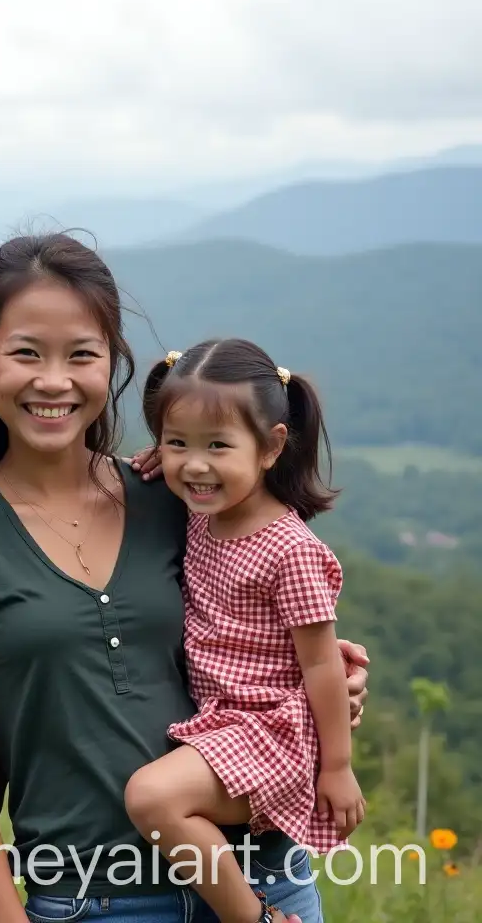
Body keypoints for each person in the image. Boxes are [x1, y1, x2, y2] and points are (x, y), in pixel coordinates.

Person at [0, 232, 370, 923]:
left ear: (112, 363)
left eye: (82, 354)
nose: (54, 380)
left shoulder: (176, 498)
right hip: (95, 900)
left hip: (260, 876)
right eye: (26, 352)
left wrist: (334, 684)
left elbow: (272, 618)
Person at [121, 340, 364, 923]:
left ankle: (251, 917)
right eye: (178, 442)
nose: (195, 465)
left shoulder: (288, 548)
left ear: (271, 446)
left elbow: (321, 665)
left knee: (152, 798)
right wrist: (165, 457)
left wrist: (336, 766)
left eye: (218, 446)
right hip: (224, 726)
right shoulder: (204, 512)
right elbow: (188, 465)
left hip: (270, 733)